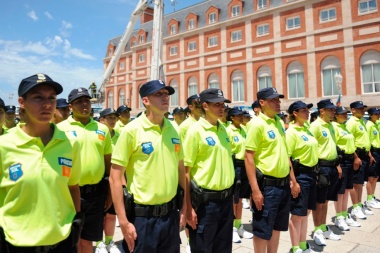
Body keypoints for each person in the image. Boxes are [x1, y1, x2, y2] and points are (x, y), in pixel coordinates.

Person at [0, 73, 81, 252]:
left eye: (51, 98)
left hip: (63, 243)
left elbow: (73, 187)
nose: (47, 104)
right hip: (18, 245)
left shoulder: (69, 143)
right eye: (38, 98)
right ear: (22, 102)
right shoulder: (4, 145)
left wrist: (75, 222)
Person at [109, 80, 186, 253]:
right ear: (146, 101)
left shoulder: (173, 129)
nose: (165, 97)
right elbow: (115, 177)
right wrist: (123, 221)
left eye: (166, 94)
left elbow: (181, 170)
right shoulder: (132, 131)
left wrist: (185, 208)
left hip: (170, 215)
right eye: (159, 94)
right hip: (143, 219)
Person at [57, 87, 113, 253]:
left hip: (95, 194)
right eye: (79, 101)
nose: (84, 104)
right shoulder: (60, 129)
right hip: (68, 193)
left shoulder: (102, 129)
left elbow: (108, 164)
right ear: (70, 107)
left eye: (87, 100)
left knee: (88, 240)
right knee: (70, 240)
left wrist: (109, 192)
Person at [245, 87, 299, 253]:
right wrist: (255, 190)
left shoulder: (278, 122)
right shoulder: (256, 124)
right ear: (262, 103)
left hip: (282, 185)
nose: (278, 103)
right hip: (267, 186)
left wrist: (293, 180)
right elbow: (249, 157)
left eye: (278, 100)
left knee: (276, 227)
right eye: (273, 100)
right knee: (262, 229)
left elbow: (285, 154)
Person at [184, 88, 235, 253]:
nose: (222, 108)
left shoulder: (224, 130)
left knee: (223, 248)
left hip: (226, 200)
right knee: (203, 248)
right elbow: (185, 171)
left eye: (223, 105)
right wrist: (188, 207)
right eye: (217, 105)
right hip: (206, 203)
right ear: (205, 106)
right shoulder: (195, 131)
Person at [309, 99, 342, 246]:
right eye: (330, 110)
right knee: (319, 202)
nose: (333, 112)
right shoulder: (315, 126)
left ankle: (323, 226)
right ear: (322, 111)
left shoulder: (331, 126)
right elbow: (312, 149)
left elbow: (332, 146)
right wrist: (315, 172)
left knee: (326, 200)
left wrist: (337, 165)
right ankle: (317, 230)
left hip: (332, 166)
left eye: (334, 110)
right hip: (321, 167)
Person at [286, 101, 318, 253]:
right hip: (300, 176)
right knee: (297, 214)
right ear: (295, 113)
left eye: (308, 110)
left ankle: (303, 244)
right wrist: (293, 181)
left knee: (306, 212)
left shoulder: (306, 129)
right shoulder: (292, 132)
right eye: (304, 110)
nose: (307, 113)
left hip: (312, 174)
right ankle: (295, 247)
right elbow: (287, 158)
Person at [96, 108, 123, 253]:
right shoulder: (97, 136)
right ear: (102, 120)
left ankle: (109, 241)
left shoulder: (120, 135)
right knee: (100, 213)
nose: (112, 120)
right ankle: (99, 242)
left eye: (114, 118)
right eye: (109, 118)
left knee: (112, 213)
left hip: (117, 178)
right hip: (103, 177)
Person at [226, 107, 253, 243]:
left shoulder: (244, 130)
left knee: (241, 199)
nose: (241, 118)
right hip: (234, 165)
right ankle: (231, 228)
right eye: (238, 116)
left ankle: (238, 225)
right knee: (233, 199)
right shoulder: (228, 131)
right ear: (231, 117)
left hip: (244, 166)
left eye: (242, 115)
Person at [332, 106, 361, 229]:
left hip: (349, 159)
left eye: (346, 113)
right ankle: (339, 216)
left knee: (347, 189)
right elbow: (333, 146)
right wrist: (337, 164)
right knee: (340, 191)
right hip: (341, 160)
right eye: (342, 114)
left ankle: (344, 214)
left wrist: (355, 157)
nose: (345, 115)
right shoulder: (334, 127)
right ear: (336, 115)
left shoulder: (344, 126)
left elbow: (351, 144)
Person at [346, 101, 375, 219]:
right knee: (356, 184)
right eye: (359, 109)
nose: (363, 111)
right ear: (353, 110)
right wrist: (355, 157)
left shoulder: (361, 122)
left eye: (363, 109)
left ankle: (359, 204)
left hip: (364, 155)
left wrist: (369, 154)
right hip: (357, 155)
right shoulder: (351, 123)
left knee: (360, 183)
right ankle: (355, 206)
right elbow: (349, 142)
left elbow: (364, 139)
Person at [365, 108, 380, 207]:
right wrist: (369, 155)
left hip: (378, 151)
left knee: (376, 177)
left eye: (378, 113)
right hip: (373, 151)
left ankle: (372, 196)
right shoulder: (369, 125)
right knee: (371, 178)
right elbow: (367, 141)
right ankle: (369, 199)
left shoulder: (376, 123)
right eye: (375, 114)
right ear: (370, 115)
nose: (378, 115)